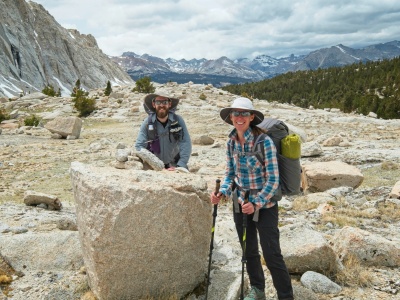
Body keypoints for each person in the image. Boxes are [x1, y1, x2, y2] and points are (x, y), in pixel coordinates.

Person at [210, 97, 293, 300]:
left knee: (272, 254)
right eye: (236, 113)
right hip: (241, 204)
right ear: (230, 117)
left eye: (244, 113)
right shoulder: (231, 142)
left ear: (252, 117)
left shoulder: (264, 142)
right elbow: (230, 174)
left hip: (265, 205)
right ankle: (258, 290)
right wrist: (223, 192)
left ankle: (285, 296)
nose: (239, 117)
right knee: (249, 252)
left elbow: (273, 180)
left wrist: (256, 203)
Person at [135, 93, 192, 170]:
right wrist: (155, 164)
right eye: (158, 102)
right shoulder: (147, 123)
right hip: (154, 166)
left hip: (175, 164)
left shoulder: (178, 121)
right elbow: (139, 146)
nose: (161, 105)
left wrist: (180, 165)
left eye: (164, 102)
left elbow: (185, 143)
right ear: (154, 104)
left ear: (169, 104)